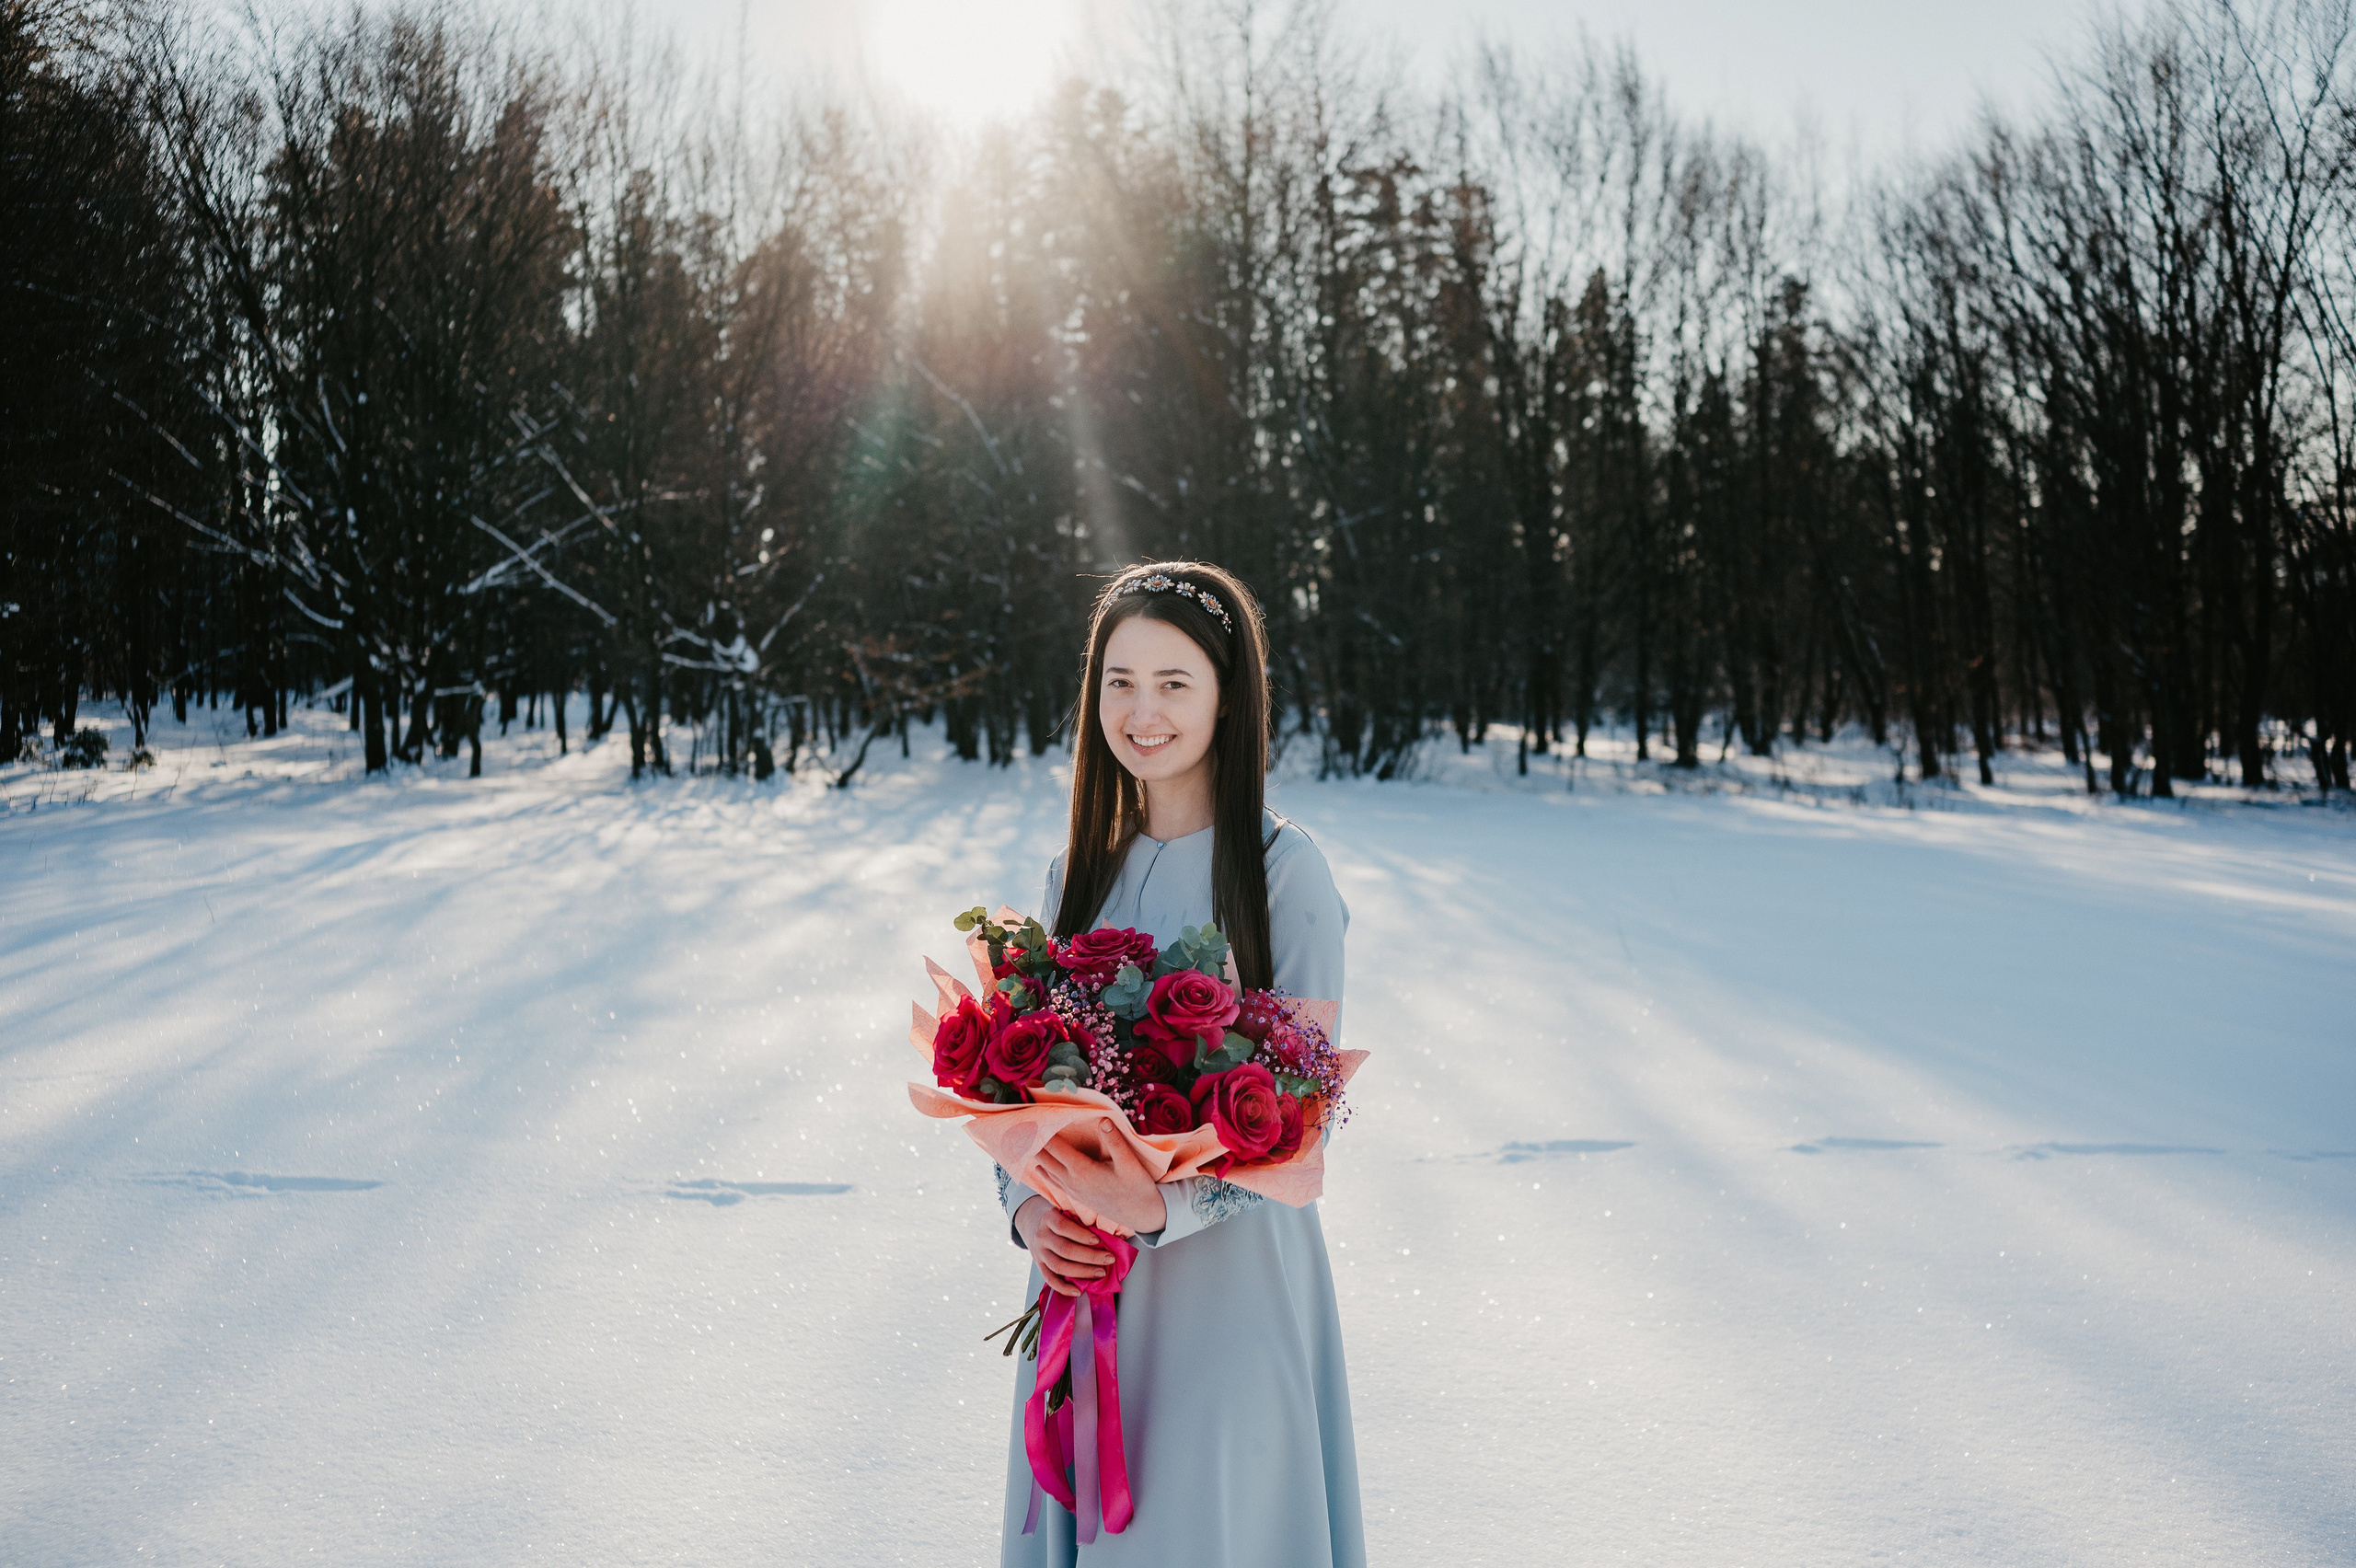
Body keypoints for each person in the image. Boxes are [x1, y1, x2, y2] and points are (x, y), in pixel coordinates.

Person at [995, 561, 1366, 1567]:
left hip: (1229, 1294)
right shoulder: (1075, 873)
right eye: (1119, 680)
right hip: (1083, 1287)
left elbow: (1299, 1122)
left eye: (1172, 681)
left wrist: (1163, 1209)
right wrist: (1028, 1208)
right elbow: (1009, 1092)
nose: (1141, 710)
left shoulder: (1283, 873)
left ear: (1225, 695)